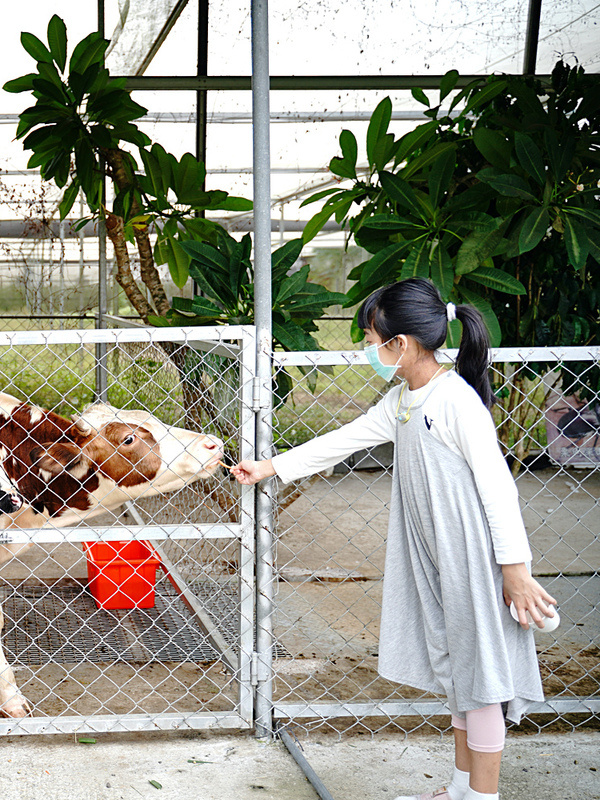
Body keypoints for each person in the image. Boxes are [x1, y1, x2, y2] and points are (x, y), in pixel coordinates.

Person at [231, 278, 556, 800]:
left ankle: (483, 796)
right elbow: (347, 438)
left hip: (472, 557)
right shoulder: (405, 399)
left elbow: (498, 489)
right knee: (458, 675)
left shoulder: (455, 401)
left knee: (482, 685)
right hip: (435, 556)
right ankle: (459, 789)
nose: (366, 349)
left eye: (369, 337)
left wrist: (515, 570)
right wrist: (270, 466)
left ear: (399, 344)